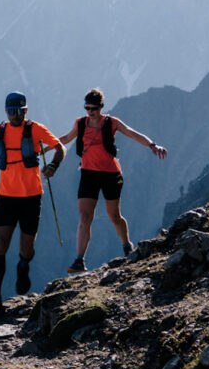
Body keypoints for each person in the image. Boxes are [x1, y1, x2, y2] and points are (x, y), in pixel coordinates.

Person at [0, 91, 64, 318]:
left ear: (26, 111)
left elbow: (59, 147)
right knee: (0, 243)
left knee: (26, 248)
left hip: (31, 197)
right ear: (6, 112)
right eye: (11, 111)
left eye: (19, 111)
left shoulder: (36, 130)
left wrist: (53, 166)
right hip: (5, 197)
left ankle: (23, 266)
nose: (15, 115)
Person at [54, 87, 168, 273]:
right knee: (85, 217)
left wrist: (153, 145)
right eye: (87, 108)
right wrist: (45, 148)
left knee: (114, 215)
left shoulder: (112, 122)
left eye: (94, 108)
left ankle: (126, 245)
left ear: (101, 107)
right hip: (88, 174)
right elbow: (65, 138)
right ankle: (79, 259)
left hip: (110, 174)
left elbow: (132, 133)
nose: (90, 112)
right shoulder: (80, 124)